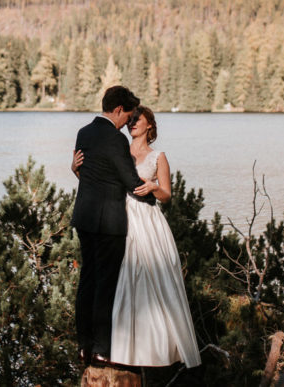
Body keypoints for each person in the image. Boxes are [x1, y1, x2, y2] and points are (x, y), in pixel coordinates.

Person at [73, 105, 201, 369]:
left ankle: (148, 348)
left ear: (149, 125)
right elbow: (97, 179)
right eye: (129, 120)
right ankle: (114, 347)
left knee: (146, 281)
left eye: (137, 120)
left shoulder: (158, 157)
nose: (131, 124)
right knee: (118, 281)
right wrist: (75, 169)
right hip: (116, 216)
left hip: (145, 219)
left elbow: (167, 194)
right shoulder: (117, 147)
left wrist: (154, 187)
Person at [70, 85, 150, 365]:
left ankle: (83, 346)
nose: (127, 123)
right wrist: (152, 196)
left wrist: (74, 169)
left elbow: (86, 172)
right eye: (127, 117)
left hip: (84, 218)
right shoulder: (116, 140)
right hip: (108, 223)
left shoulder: (84, 132)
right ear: (117, 110)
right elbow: (131, 181)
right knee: (106, 285)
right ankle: (103, 349)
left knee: (87, 281)